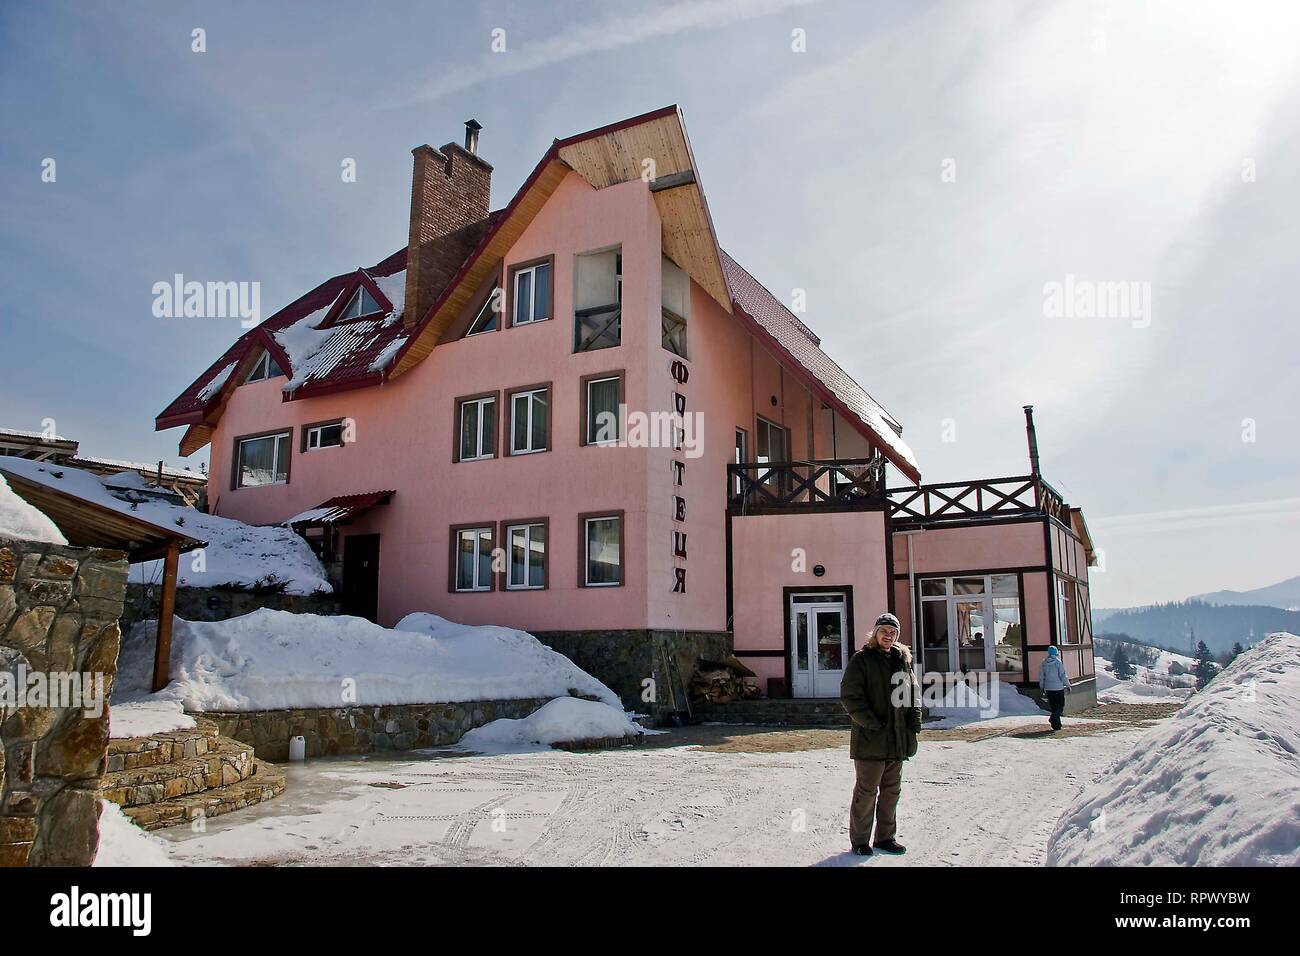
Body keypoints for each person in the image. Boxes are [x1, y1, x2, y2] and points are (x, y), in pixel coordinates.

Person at [840, 612, 921, 857]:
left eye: (893, 632)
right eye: (884, 631)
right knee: (866, 793)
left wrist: (914, 723)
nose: (888, 636)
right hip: (870, 740)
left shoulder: (902, 661)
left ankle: (885, 837)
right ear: (875, 633)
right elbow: (851, 696)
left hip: (897, 740)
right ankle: (860, 841)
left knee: (891, 792)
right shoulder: (862, 660)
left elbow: (913, 694)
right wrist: (871, 723)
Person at [1039, 645, 1071, 731]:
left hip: (1048, 688)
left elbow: (1042, 676)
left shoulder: (1044, 663)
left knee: (1053, 707)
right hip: (1058, 688)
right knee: (1060, 705)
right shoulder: (1058, 662)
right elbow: (1063, 675)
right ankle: (1053, 718)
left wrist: (1042, 687)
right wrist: (1068, 685)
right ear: (1056, 652)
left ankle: (1057, 725)